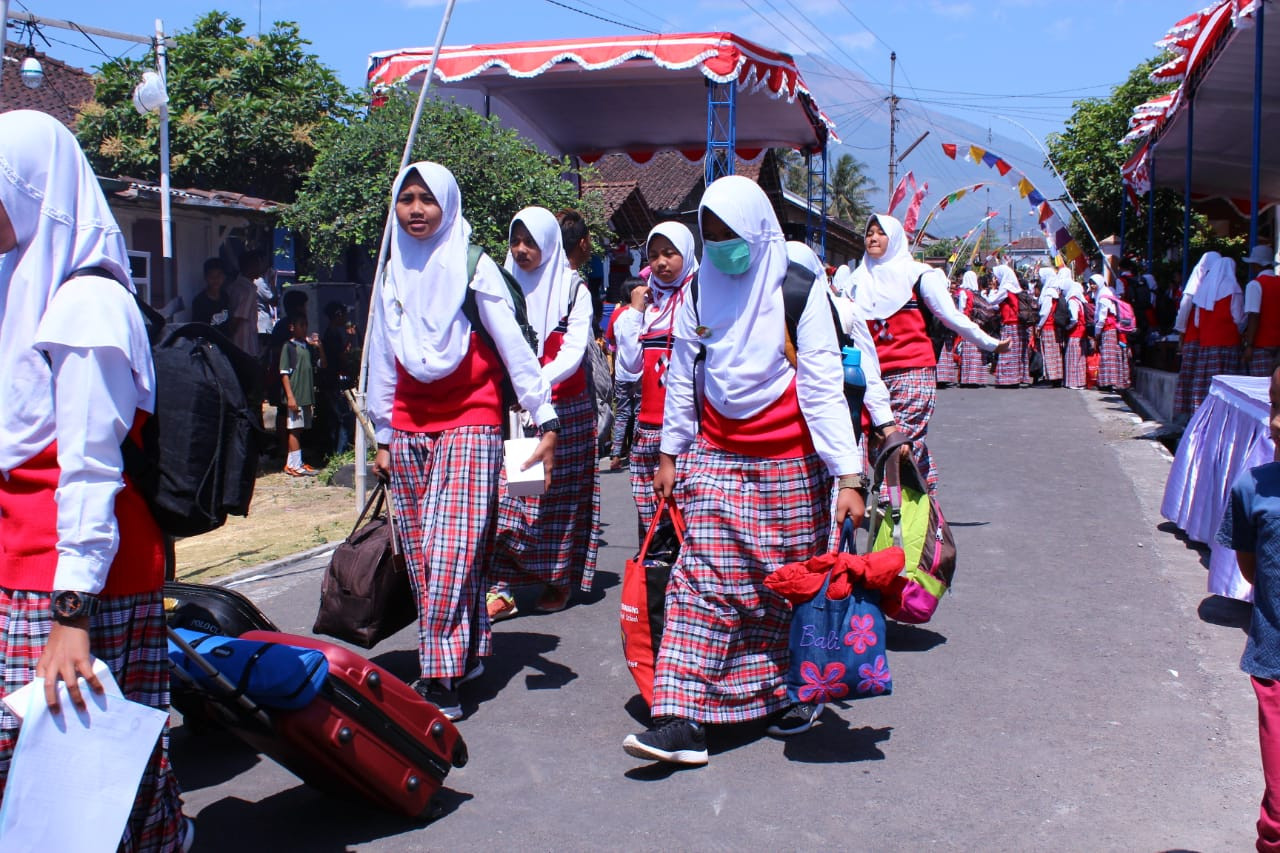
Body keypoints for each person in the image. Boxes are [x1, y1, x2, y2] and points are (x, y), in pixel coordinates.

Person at [622, 176, 867, 766]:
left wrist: (849, 476)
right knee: (697, 584)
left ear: (757, 230)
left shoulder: (799, 288)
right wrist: (670, 454)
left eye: (729, 234)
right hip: (716, 458)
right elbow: (684, 373)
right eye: (710, 235)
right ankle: (681, 720)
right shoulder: (702, 289)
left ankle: (784, 694)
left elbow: (822, 385)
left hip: (789, 468)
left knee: (780, 592)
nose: (721, 245)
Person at [0, 110, 189, 851]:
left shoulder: (87, 303)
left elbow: (86, 468)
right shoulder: (25, 286)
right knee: (78, 777)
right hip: (31, 568)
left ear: (32, 191)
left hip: (82, 582)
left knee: (68, 777)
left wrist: (70, 615)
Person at [366, 162, 558, 720]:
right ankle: (467, 647)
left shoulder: (477, 267)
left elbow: (514, 347)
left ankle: (440, 676)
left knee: (451, 549)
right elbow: (382, 354)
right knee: (427, 555)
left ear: (447, 204)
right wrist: (382, 432)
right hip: (406, 426)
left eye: (427, 199)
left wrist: (544, 417)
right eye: (407, 200)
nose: (417, 210)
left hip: (470, 422)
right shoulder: (390, 271)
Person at [487, 207, 599, 620]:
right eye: (515, 241)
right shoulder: (501, 285)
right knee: (514, 496)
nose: (520, 250)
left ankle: (558, 579)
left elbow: (573, 352)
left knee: (560, 500)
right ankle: (504, 586)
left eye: (530, 242)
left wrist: (534, 385)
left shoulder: (574, 290)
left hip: (565, 406)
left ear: (549, 243)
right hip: (516, 409)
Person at [850, 215, 1008, 494]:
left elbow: (951, 316)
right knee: (879, 443)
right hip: (873, 380)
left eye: (880, 233)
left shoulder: (919, 275)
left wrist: (989, 343)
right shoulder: (855, 281)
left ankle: (898, 508)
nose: (873, 238)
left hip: (913, 373)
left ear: (895, 238)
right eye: (869, 233)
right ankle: (922, 497)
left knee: (899, 443)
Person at [1215, 364, 1280, 851]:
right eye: (1276, 408)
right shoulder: (1250, 489)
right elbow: (1253, 570)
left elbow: (1255, 571)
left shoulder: (1253, 489)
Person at [616, 222, 699, 533]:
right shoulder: (649, 306)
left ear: (687, 254)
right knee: (650, 519)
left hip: (688, 428)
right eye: (653, 255)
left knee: (685, 516)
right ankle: (653, 579)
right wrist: (636, 312)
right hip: (648, 426)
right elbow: (630, 366)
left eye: (669, 253)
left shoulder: (700, 298)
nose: (661, 262)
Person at [1189, 252, 1244, 412]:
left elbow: (1197, 322)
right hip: (1228, 344)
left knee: (1204, 385)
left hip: (1206, 345)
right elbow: (1238, 318)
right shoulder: (1234, 289)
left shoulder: (1202, 291)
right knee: (1226, 386)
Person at [1173, 251, 1218, 420]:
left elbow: (1184, 311)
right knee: (1200, 377)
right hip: (1203, 338)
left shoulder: (1197, 284)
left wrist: (1181, 334)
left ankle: (1192, 416)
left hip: (1195, 337)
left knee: (1194, 377)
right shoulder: (1221, 284)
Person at [609, 278, 646, 471]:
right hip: (642, 373)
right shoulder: (646, 314)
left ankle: (616, 454)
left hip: (622, 372)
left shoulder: (616, 315)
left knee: (622, 413)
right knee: (639, 413)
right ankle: (636, 453)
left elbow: (611, 342)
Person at [280, 313, 321, 477]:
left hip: (306, 395)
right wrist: (290, 396)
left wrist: (320, 348)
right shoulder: (288, 347)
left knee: (300, 428)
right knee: (294, 429)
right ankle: (296, 465)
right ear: (292, 327)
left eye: (306, 325)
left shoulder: (308, 347)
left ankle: (292, 463)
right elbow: (284, 374)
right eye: (301, 325)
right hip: (296, 394)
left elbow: (321, 364)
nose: (304, 328)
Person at [319, 301, 353, 456]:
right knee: (343, 418)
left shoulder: (330, 333)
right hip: (336, 380)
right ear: (338, 315)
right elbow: (341, 357)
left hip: (330, 380)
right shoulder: (333, 334)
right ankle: (341, 453)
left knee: (335, 419)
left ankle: (333, 451)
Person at [989, 264, 1030, 388]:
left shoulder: (1006, 288)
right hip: (1018, 325)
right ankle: (1017, 377)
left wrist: (992, 289)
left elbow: (991, 301)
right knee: (1017, 353)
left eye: (996, 277)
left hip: (1010, 324)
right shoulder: (1014, 288)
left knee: (1007, 351)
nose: (995, 279)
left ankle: (1008, 379)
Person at [1243, 245, 1279, 378]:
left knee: (1261, 387)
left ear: (1256, 264)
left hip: (1261, 344)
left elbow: (1253, 316)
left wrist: (1249, 345)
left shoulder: (1255, 285)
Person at [1092, 273, 1131, 392]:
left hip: (1108, 329)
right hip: (1111, 329)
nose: (1092, 286)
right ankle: (1111, 382)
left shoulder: (1103, 297)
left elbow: (1102, 317)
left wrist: (1097, 332)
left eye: (1093, 283)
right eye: (1091, 284)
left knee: (1108, 357)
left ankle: (1109, 383)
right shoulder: (1106, 293)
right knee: (1111, 356)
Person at [226, 249, 263, 358]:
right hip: (245, 346)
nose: (260, 269)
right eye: (258, 265)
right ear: (250, 267)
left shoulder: (234, 285)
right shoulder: (248, 291)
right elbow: (238, 318)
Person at [956, 270, 987, 387]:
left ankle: (968, 378)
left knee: (968, 351)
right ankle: (978, 378)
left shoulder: (964, 293)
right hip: (979, 324)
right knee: (978, 352)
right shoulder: (979, 294)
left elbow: (961, 309)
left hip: (968, 323)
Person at [1060, 270, 1089, 389]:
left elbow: (1074, 319)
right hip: (1081, 332)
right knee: (1079, 359)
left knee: (1072, 358)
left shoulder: (1072, 301)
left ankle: (1072, 382)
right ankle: (1080, 382)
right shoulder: (1079, 300)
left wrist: (1067, 327)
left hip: (1075, 333)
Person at [1037, 268, 1065, 387]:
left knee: (1049, 353)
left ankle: (1052, 378)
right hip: (1054, 327)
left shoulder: (1048, 292)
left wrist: (1039, 326)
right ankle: (1056, 377)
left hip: (1048, 326)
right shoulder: (1056, 291)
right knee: (1055, 353)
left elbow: (1044, 312)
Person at [190, 257, 232, 333]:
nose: (215, 279)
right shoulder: (199, 301)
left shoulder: (225, 297)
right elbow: (197, 329)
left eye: (219, 275)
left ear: (224, 277)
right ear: (205, 277)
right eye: (211, 276)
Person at [935, 277, 961, 388]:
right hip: (945, 328)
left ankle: (940, 377)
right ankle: (943, 377)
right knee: (944, 351)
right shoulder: (948, 298)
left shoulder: (934, 296)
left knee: (941, 352)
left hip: (938, 329)